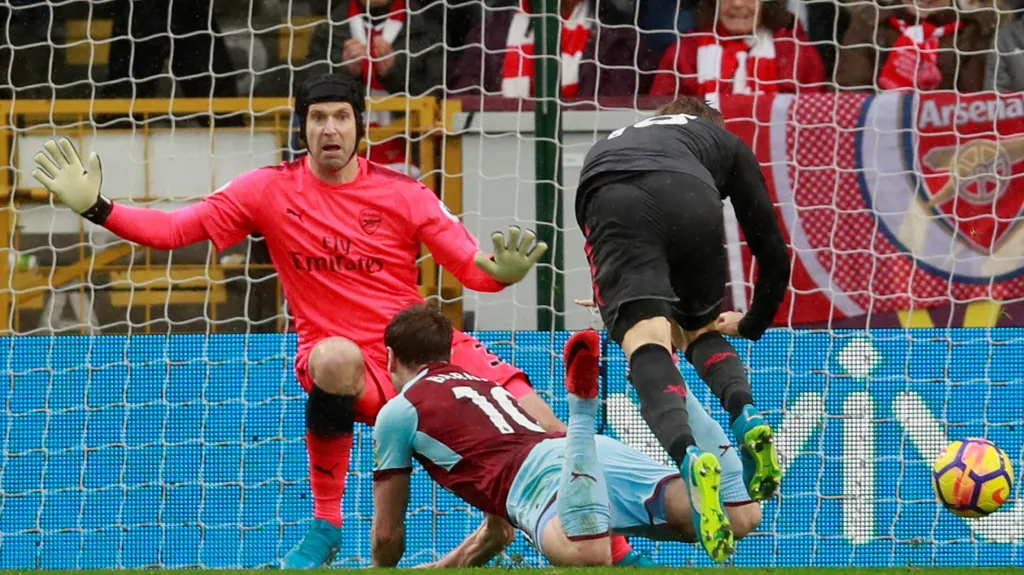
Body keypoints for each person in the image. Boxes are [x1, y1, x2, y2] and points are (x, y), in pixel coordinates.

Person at [28, 72, 632, 568]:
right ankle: (326, 524)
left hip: (426, 348)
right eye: (318, 118)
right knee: (333, 356)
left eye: (341, 116)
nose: (330, 128)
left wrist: (502, 272)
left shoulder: (404, 192)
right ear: (303, 127)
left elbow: (471, 266)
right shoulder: (267, 189)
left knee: (545, 424)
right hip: (353, 363)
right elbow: (177, 228)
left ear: (359, 125)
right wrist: (100, 208)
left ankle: (616, 546)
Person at [370, 303, 762, 566]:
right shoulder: (486, 386)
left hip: (539, 482)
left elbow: (388, 534)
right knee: (737, 518)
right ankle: (685, 402)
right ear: (447, 354)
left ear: (389, 356)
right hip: (589, 455)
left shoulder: (400, 411)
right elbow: (498, 532)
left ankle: (583, 409)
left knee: (587, 556)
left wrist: (381, 569)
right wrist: (444, 567)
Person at [573, 95, 790, 558]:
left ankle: (689, 459)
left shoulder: (616, 141)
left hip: (608, 193)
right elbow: (773, 253)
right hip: (692, 197)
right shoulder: (724, 142)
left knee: (646, 340)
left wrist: (618, 305)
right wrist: (751, 324)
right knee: (699, 327)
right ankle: (746, 414)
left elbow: (608, 238)